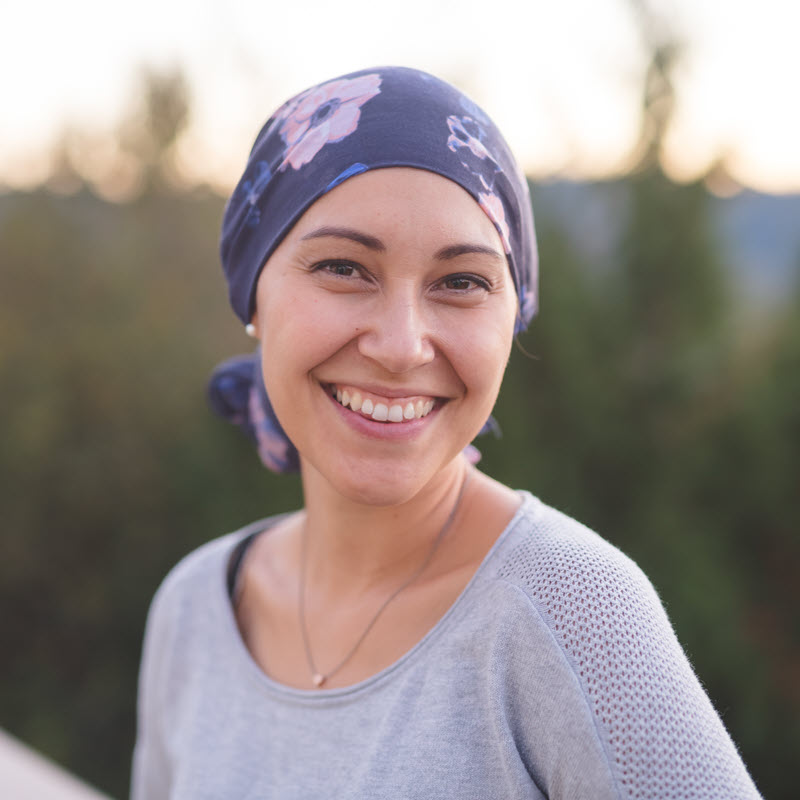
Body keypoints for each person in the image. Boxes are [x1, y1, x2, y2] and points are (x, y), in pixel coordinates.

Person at [131, 66, 761, 799]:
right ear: (255, 300)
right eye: (344, 268)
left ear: (511, 318)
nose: (402, 346)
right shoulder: (195, 609)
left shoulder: (570, 607)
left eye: (461, 282)